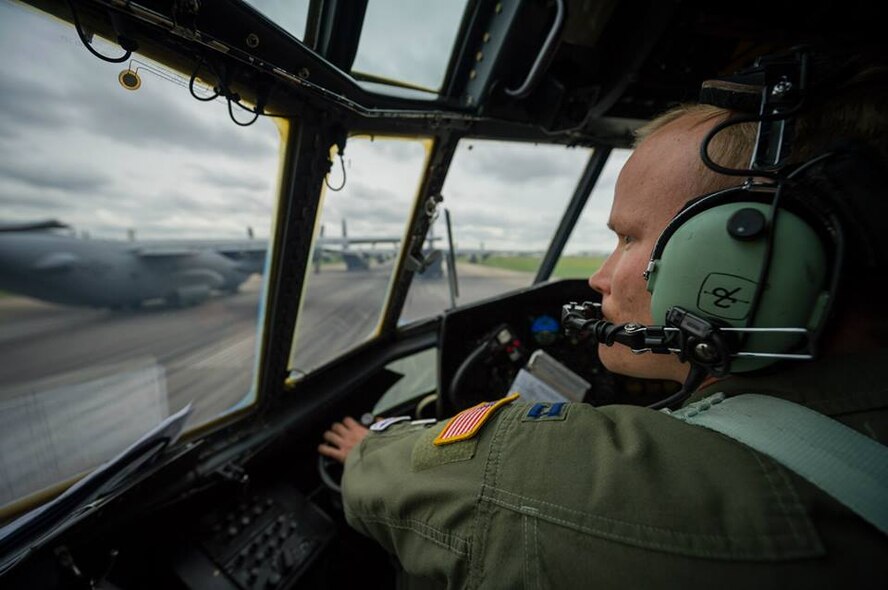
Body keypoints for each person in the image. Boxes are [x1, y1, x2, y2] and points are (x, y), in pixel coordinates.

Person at [318, 49, 888, 588]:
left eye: (627, 237)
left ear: (751, 257)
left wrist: (369, 447)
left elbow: (396, 483)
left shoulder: (558, 476)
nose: (598, 278)